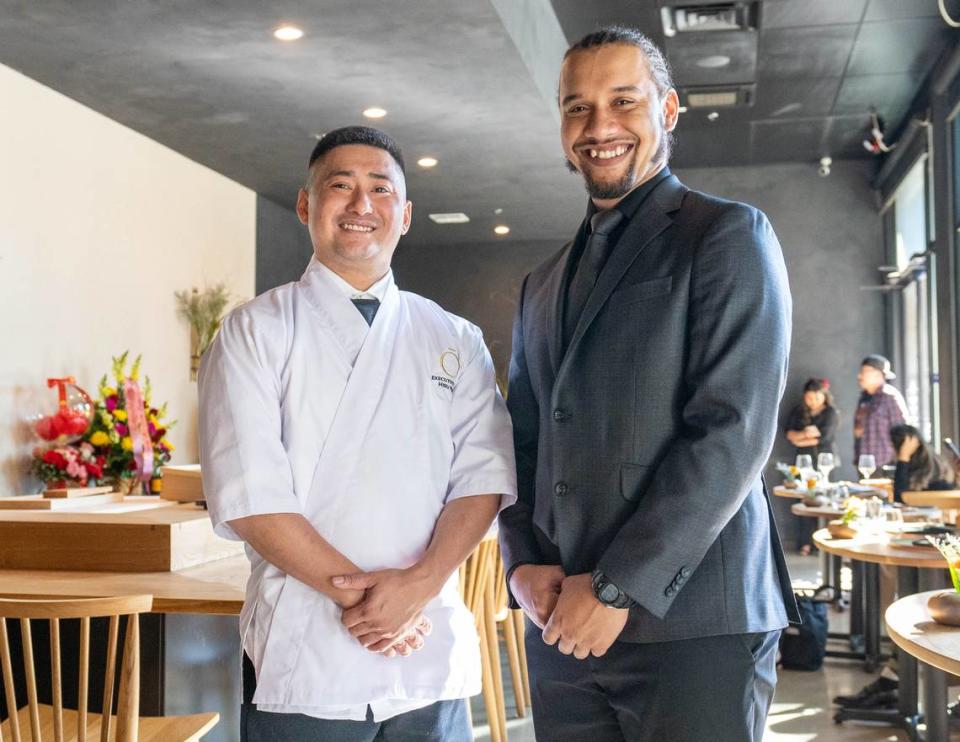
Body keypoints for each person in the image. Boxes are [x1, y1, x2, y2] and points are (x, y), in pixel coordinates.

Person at [498, 25, 798, 742]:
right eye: (578, 108)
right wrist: (522, 559)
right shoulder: (540, 284)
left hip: (694, 622)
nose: (599, 126)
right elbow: (519, 435)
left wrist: (616, 586)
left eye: (623, 101)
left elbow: (734, 431)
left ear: (666, 111)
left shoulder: (726, 235)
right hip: (561, 623)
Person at [198, 126, 517, 741]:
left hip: (426, 641)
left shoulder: (454, 336)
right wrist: (369, 602)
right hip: (308, 644)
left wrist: (416, 589)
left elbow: (483, 479)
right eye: (340, 187)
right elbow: (252, 497)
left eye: (380, 189)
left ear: (405, 214)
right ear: (305, 205)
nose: (361, 205)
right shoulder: (254, 332)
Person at [784, 378, 840, 554]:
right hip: (803, 462)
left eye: (816, 398)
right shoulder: (799, 411)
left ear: (824, 396)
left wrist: (802, 438)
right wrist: (805, 434)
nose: (812, 402)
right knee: (803, 500)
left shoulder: (831, 413)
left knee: (822, 501)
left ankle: (821, 543)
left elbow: (823, 438)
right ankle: (805, 542)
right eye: (809, 398)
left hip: (823, 462)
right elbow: (790, 435)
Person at [853, 354, 909, 468]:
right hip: (865, 464)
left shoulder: (889, 396)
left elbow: (902, 431)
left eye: (864, 371)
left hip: (886, 464)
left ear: (878, 374)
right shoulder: (864, 397)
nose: (859, 376)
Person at [890, 424, 956, 502]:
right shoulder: (935, 460)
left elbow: (899, 499)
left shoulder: (928, 468)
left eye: (891, 445)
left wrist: (903, 457)